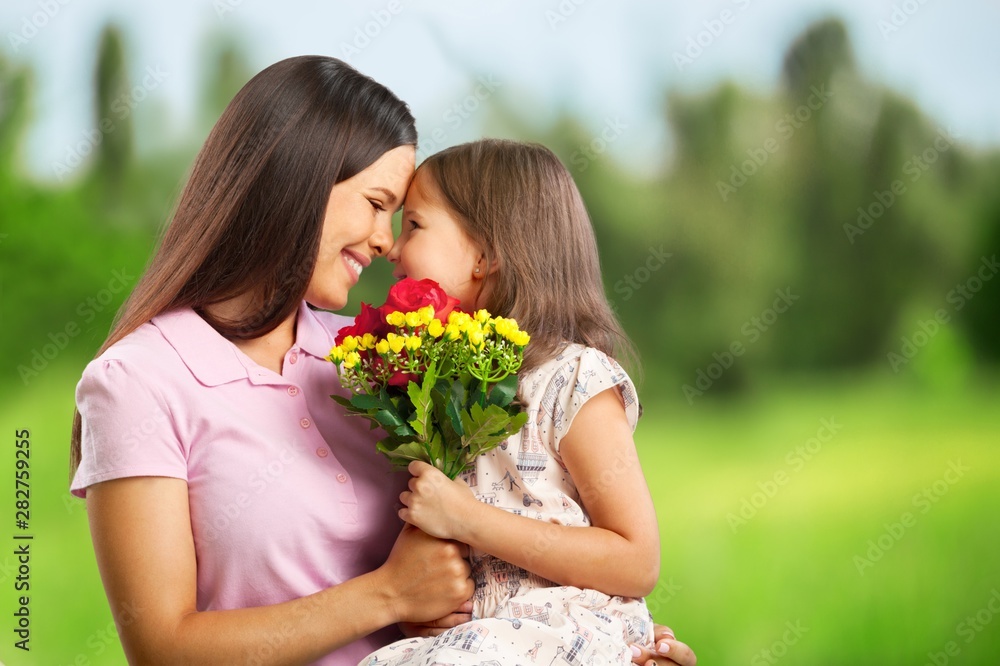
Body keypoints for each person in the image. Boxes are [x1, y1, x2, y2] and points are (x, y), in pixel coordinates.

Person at [68, 55, 695, 666]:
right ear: (298, 181)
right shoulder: (138, 382)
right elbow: (161, 650)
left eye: (403, 219)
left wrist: (609, 642)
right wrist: (387, 594)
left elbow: (516, 534)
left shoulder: (382, 359)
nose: (385, 241)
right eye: (376, 203)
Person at [358, 139, 684, 666]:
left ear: (485, 255)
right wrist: (420, 614)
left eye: (414, 225)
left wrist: (468, 520)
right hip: (479, 641)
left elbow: (637, 558)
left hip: (561, 635)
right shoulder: (442, 387)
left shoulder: (574, 378)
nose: (393, 249)